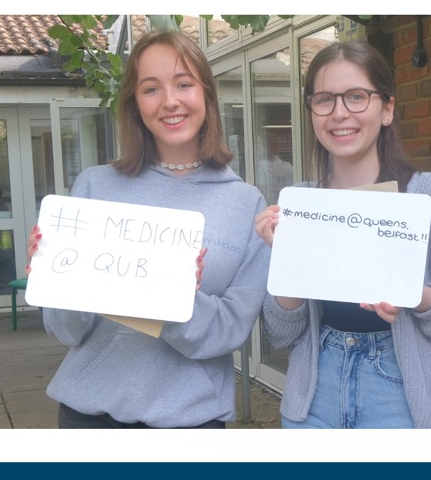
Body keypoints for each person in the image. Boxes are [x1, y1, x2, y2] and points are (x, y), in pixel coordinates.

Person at [27, 30, 271, 428]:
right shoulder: (94, 186)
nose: (170, 101)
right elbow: (66, 330)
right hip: (88, 416)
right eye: (151, 88)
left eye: (184, 84)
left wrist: (177, 299)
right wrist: (54, 276)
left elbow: (231, 330)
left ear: (206, 94)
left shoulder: (245, 204)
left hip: (191, 423)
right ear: (134, 102)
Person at [253, 40, 431, 429]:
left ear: (387, 109)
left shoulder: (428, 197)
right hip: (315, 394)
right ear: (312, 112)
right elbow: (281, 335)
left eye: (356, 96)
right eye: (324, 99)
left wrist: (414, 294)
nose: (339, 113)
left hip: (402, 398)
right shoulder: (300, 204)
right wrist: (288, 260)